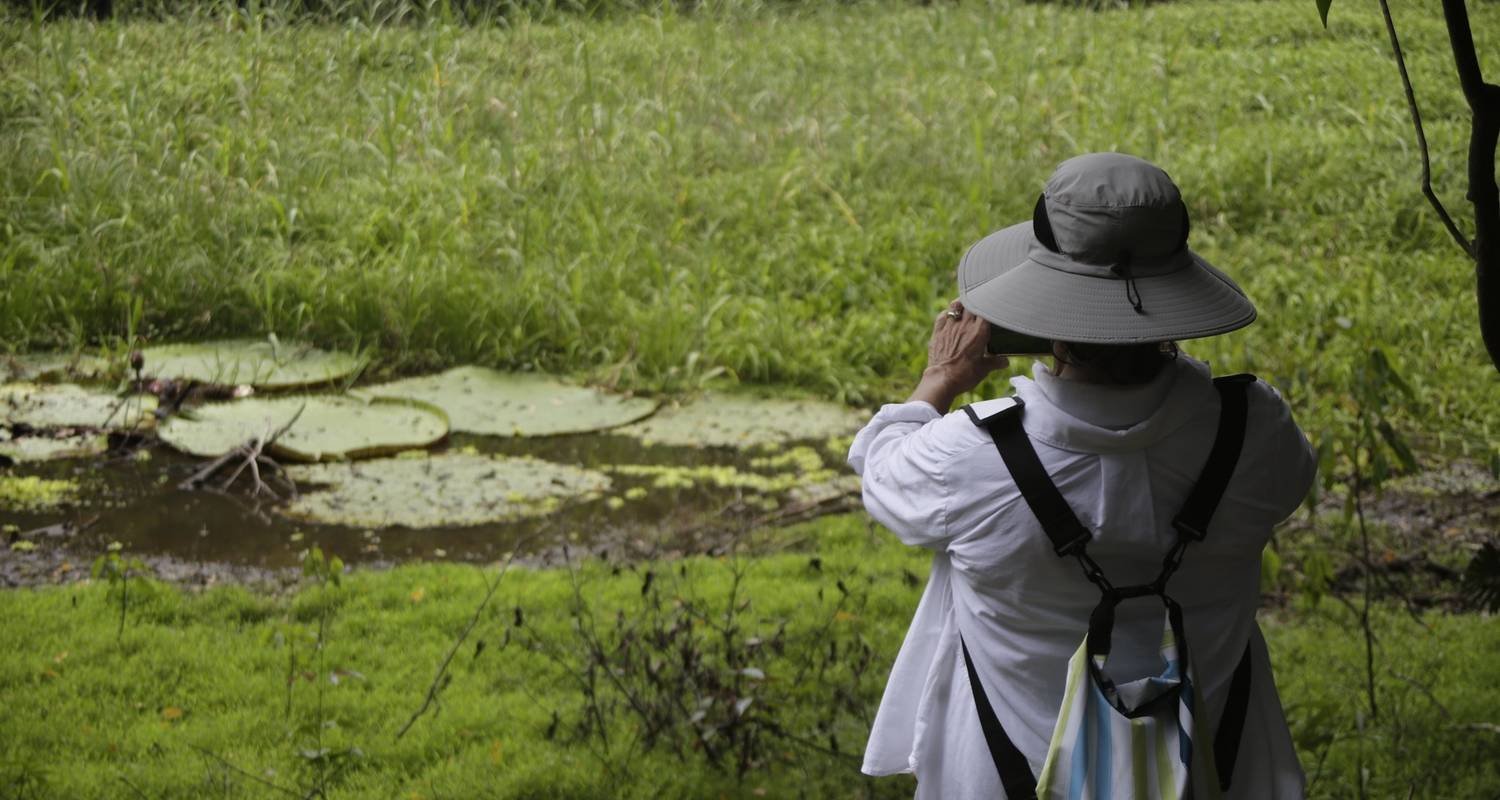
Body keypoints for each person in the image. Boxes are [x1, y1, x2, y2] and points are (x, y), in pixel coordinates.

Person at [848, 153, 1315, 799]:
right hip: (1210, 770)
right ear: (1173, 295)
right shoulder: (1255, 429)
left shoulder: (969, 455)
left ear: (1048, 315)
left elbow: (882, 472)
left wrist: (940, 380)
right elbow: (1280, 482)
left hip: (1001, 773)